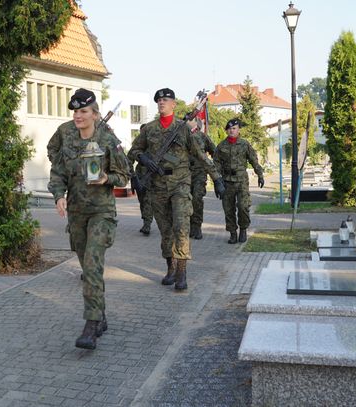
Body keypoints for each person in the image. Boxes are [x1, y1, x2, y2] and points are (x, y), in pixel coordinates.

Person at [47, 88, 130, 350]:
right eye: (75, 111)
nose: (78, 116)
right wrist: (59, 195)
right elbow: (58, 168)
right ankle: (101, 314)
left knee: (93, 266)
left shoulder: (108, 138)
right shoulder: (66, 133)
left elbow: (125, 174)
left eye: (83, 112)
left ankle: (91, 325)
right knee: (88, 267)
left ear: (95, 114)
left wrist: (108, 179)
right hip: (77, 212)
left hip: (101, 212)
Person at [128, 88, 225, 291]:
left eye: (166, 100)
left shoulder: (183, 129)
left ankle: (182, 271)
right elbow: (134, 150)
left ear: (173, 104)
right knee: (166, 230)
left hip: (180, 184)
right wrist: (143, 158)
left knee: (181, 226)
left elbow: (200, 155)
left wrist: (217, 179)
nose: (162, 102)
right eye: (159, 100)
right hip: (157, 186)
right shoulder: (149, 129)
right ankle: (170, 268)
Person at [213, 118, 264, 244]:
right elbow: (216, 166)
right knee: (228, 209)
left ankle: (243, 229)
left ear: (238, 130)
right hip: (227, 182)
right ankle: (232, 233)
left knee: (243, 207)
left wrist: (260, 175)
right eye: (229, 129)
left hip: (241, 181)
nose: (231, 130)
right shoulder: (221, 146)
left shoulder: (245, 144)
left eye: (234, 128)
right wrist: (217, 183)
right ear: (227, 130)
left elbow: (254, 160)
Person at [188, 118, 216, 240]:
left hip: (199, 173)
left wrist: (215, 169)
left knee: (197, 199)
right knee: (186, 200)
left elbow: (215, 152)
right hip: (185, 174)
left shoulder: (203, 137)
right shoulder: (183, 137)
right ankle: (190, 226)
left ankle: (197, 226)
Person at [127, 125, 153, 235]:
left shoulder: (155, 144)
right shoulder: (138, 146)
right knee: (142, 201)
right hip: (140, 176)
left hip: (153, 177)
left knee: (148, 201)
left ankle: (147, 224)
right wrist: (132, 176)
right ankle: (146, 221)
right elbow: (129, 160)